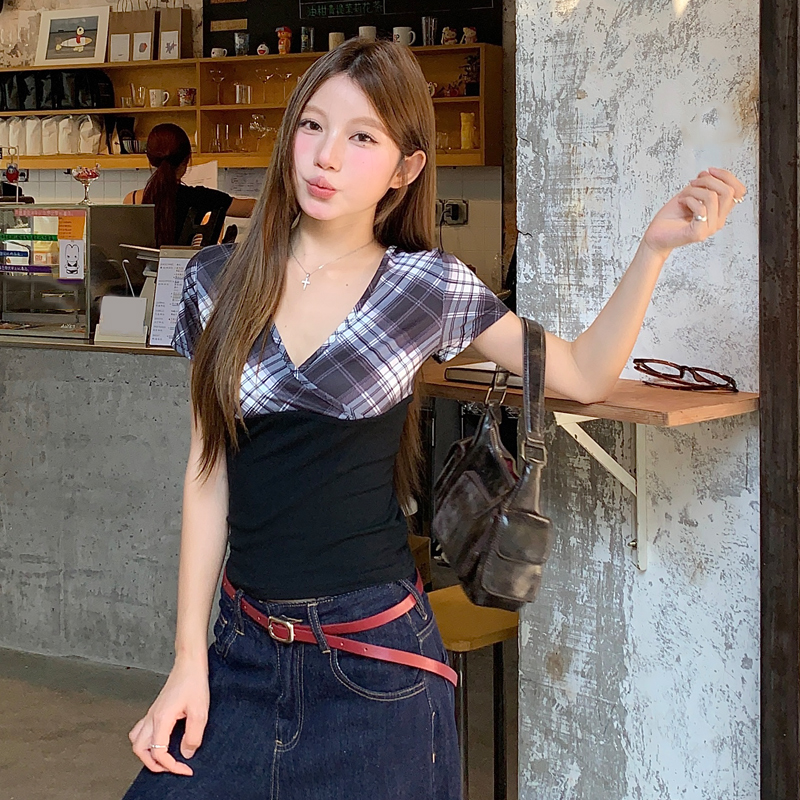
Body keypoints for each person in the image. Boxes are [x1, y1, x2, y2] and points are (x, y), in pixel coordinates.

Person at [121, 39, 745, 800]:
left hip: (373, 659)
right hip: (240, 644)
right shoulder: (216, 280)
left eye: (362, 137)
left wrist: (653, 251)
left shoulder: (427, 286)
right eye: (312, 126)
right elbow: (205, 473)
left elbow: (581, 373)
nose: (325, 156)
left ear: (405, 168)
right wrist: (188, 659)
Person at [123, 123, 256, 247]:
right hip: (188, 265)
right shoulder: (202, 198)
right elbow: (253, 208)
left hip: (143, 266)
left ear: (150, 159)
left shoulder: (132, 200)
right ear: (186, 160)